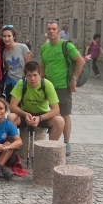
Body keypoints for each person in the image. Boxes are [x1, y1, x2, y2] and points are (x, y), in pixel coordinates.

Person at [41, 20, 85, 156]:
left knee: (64, 114)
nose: (51, 31)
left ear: (59, 31)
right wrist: (40, 82)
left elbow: (80, 61)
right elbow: (43, 66)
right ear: (46, 31)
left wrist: (74, 79)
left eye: (54, 29)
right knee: (46, 112)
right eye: (49, 29)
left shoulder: (67, 46)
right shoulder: (44, 47)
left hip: (62, 86)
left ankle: (66, 143)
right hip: (47, 86)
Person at [7, 61, 65, 140]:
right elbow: (12, 106)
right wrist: (25, 114)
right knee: (11, 117)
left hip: (42, 114)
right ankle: (15, 143)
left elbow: (56, 110)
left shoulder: (47, 84)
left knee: (60, 121)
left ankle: (50, 147)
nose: (32, 79)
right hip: (25, 113)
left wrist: (40, 118)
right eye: (29, 75)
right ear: (25, 76)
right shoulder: (21, 83)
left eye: (35, 75)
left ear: (40, 74)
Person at [1, 25, 31, 102]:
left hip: (21, 79)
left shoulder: (22, 47)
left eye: (9, 36)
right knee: (9, 102)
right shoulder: (5, 52)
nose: (6, 38)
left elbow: (29, 66)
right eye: (4, 36)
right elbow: (7, 67)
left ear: (14, 37)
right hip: (10, 80)